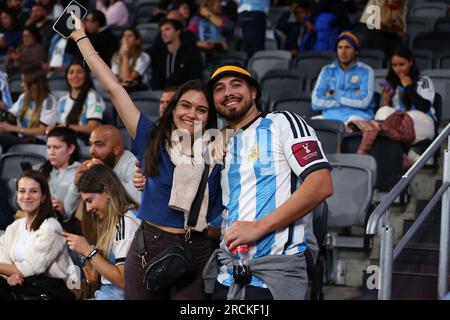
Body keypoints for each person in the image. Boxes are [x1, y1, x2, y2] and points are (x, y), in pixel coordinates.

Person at [69, 12, 223, 299]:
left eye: (201, 110)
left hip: (195, 250)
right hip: (146, 246)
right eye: (185, 106)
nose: (192, 114)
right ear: (174, 109)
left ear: (209, 117)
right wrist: (81, 38)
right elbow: (114, 89)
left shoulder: (220, 150)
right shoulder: (152, 137)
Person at [203, 63, 333, 300]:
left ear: (253, 92)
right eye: (219, 89)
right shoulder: (221, 146)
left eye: (236, 84)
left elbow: (321, 183)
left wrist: (258, 227)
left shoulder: (283, 122)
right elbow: (214, 223)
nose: (227, 92)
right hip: (227, 274)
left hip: (273, 275)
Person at [63, 164, 140, 300]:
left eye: (90, 200)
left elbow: (124, 280)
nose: (87, 208)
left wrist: (88, 252)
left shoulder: (126, 221)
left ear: (106, 191)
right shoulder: (114, 219)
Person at [0, 170, 76, 300]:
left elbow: (31, 268)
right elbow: (2, 256)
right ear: (17, 195)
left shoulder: (51, 227)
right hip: (20, 288)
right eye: (22, 191)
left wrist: (15, 272)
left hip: (49, 292)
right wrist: (10, 275)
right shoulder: (15, 226)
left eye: (34, 191)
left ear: (44, 196)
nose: (27, 196)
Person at [377, 45, 436, 148]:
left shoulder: (424, 81)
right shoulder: (391, 84)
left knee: (410, 116)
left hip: (422, 123)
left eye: (402, 64)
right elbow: (387, 115)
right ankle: (399, 152)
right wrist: (385, 101)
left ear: (411, 62)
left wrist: (408, 87)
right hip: (398, 126)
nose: (398, 69)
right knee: (383, 111)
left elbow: (424, 107)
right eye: (394, 65)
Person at [311, 31, 375, 124]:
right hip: (330, 116)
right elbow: (315, 102)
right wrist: (351, 94)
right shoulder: (327, 70)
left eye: (347, 47)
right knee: (308, 127)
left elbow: (364, 102)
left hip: (357, 117)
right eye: (340, 48)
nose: (343, 52)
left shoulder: (366, 71)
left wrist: (333, 93)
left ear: (356, 51)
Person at [72, 125, 141, 204]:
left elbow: (138, 199)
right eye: (90, 144)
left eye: (99, 145)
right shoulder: (101, 165)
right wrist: (76, 185)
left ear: (116, 149)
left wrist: (107, 176)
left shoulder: (132, 163)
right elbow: (68, 211)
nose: (91, 151)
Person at [0, 65, 58, 151]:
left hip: (37, 143)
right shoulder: (24, 97)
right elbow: (10, 116)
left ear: (35, 84)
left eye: (24, 82)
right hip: (21, 138)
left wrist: (12, 128)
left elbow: (42, 131)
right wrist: (4, 111)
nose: (21, 85)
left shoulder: (49, 101)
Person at [38, 127, 81, 224]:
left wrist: (62, 210)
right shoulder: (39, 169)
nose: (51, 152)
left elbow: (68, 214)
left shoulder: (79, 173)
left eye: (56, 147)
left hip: (59, 224)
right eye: (48, 147)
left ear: (71, 148)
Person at [57, 61, 105, 142]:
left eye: (79, 72)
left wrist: (67, 127)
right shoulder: (62, 100)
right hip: (65, 140)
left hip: (86, 142)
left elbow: (93, 127)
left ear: (86, 75)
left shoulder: (93, 97)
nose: (75, 75)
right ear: (67, 76)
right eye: (71, 72)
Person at [150, 18, 203, 90]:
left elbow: (195, 79)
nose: (163, 33)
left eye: (167, 29)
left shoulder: (191, 53)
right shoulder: (159, 55)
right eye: (161, 31)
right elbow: (155, 80)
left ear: (178, 31)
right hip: (162, 95)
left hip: (184, 93)